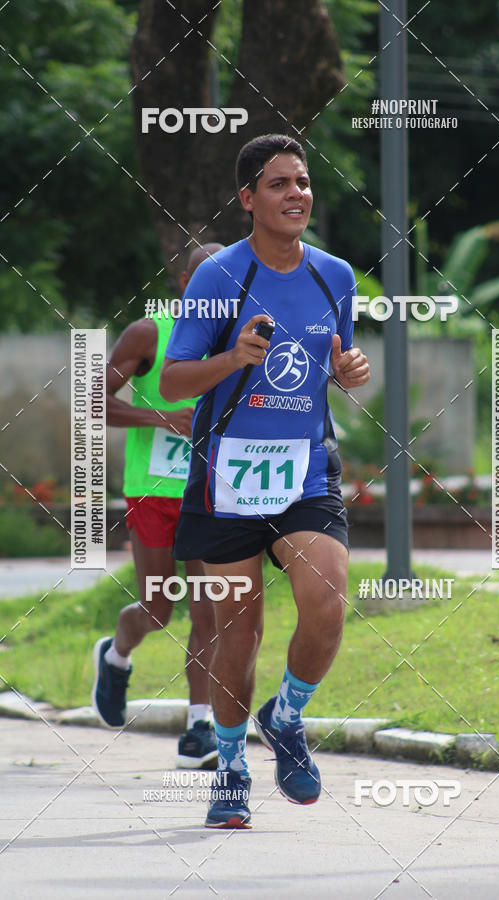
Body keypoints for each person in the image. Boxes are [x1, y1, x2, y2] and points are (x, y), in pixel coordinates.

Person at [160, 135, 370, 827]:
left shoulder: (335, 276)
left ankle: (287, 715)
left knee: (328, 595)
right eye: (279, 184)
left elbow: (331, 363)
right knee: (237, 630)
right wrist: (233, 358)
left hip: (305, 471)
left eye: (304, 182)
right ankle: (229, 764)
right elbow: (172, 378)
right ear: (248, 199)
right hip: (226, 478)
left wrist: (346, 373)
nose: (296, 195)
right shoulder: (217, 276)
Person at [92, 243, 224, 769]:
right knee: (158, 609)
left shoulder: (242, 338)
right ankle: (115, 653)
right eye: (203, 278)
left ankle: (199, 730)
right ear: (183, 280)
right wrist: (162, 418)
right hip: (153, 491)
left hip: (213, 494)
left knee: (208, 609)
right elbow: (92, 400)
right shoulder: (151, 332)